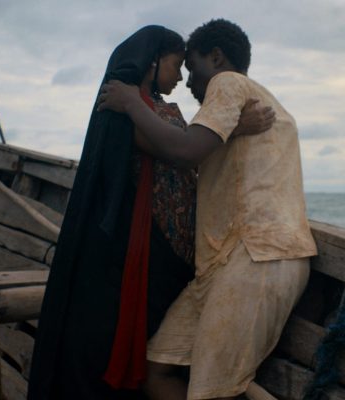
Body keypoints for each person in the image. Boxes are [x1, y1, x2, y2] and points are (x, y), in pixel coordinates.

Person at [28, 25, 274, 399]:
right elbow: (175, 150)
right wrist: (131, 102)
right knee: (119, 357)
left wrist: (234, 129)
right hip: (142, 256)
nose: (180, 76)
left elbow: (186, 148)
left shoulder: (151, 108)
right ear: (152, 60)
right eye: (176, 65)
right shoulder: (122, 104)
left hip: (171, 262)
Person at [97, 19, 319, 400]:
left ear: (216, 58)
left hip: (256, 258)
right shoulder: (252, 108)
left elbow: (184, 151)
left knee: (212, 392)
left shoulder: (227, 84)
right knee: (156, 372)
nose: (186, 82)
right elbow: (191, 152)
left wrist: (132, 103)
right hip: (223, 266)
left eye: (192, 68)